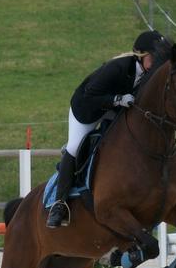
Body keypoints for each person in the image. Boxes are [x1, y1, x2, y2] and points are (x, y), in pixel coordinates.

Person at [46, 30, 169, 228]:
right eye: (154, 57)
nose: (158, 63)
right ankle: (59, 204)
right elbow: (89, 96)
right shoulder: (118, 67)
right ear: (141, 55)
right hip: (87, 109)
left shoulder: (149, 74)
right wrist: (117, 99)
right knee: (74, 148)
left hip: (114, 109)